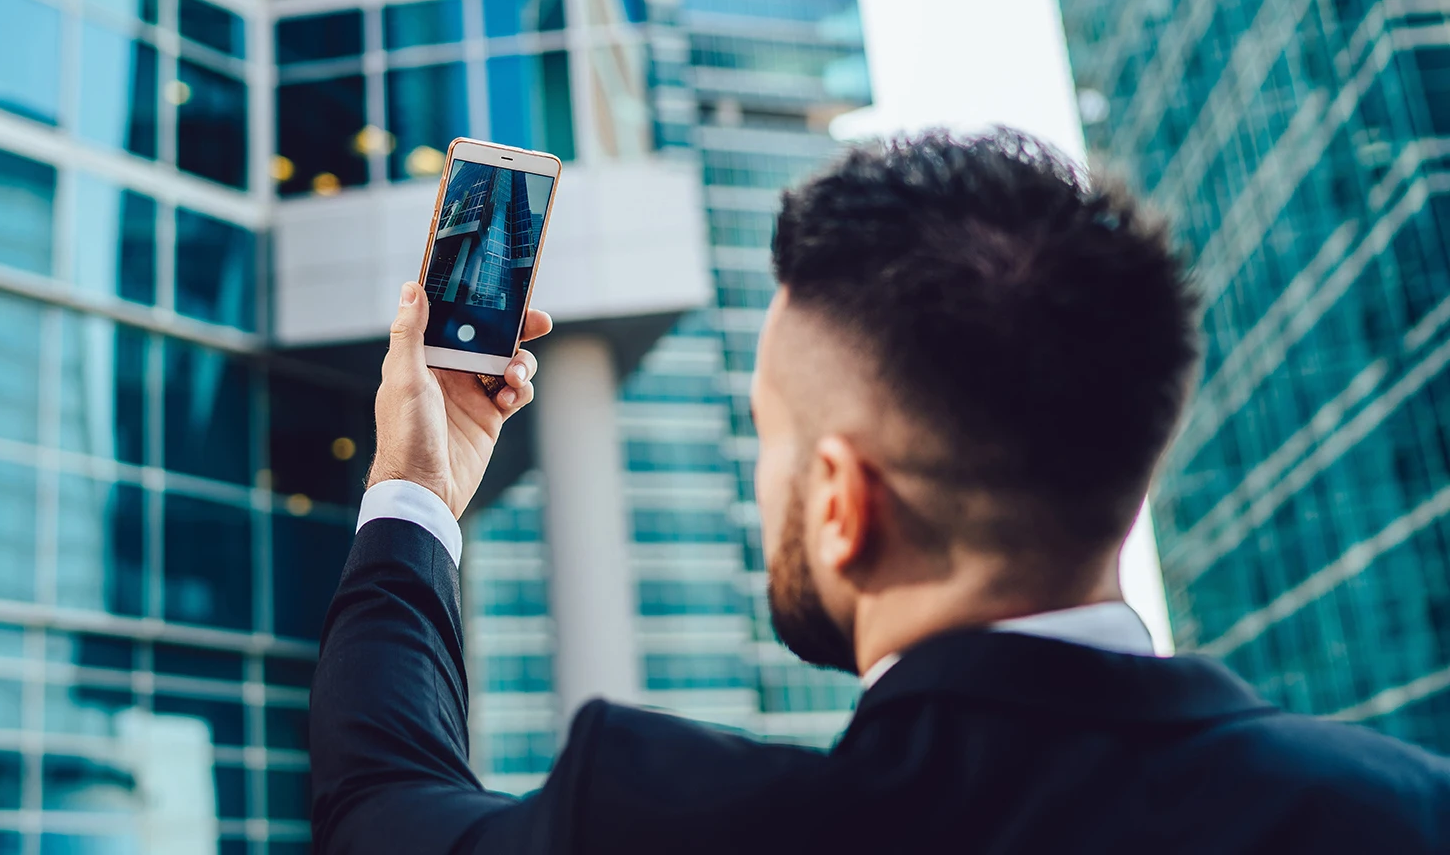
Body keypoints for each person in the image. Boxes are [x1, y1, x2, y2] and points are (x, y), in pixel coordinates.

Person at [308, 131, 1450, 854]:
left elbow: (379, 807)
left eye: (769, 437)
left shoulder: (664, 819)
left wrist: (419, 479)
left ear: (845, 503)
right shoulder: (1404, 810)